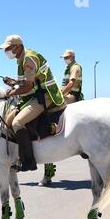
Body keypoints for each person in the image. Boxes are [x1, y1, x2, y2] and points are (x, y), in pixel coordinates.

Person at [0, 35, 66, 172]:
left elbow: (29, 86)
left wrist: (12, 92)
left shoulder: (28, 59)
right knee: (9, 119)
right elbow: (28, 81)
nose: (6, 52)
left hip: (45, 96)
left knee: (17, 123)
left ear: (17, 47)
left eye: (8, 48)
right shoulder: (22, 59)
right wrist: (14, 82)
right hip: (34, 95)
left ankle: (29, 161)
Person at [39, 50, 84, 186]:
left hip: (72, 97)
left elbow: (71, 84)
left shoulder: (75, 67)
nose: (65, 59)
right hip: (67, 94)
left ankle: (52, 128)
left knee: (48, 109)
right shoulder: (68, 68)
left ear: (72, 57)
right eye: (64, 58)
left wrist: (59, 93)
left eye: (67, 57)